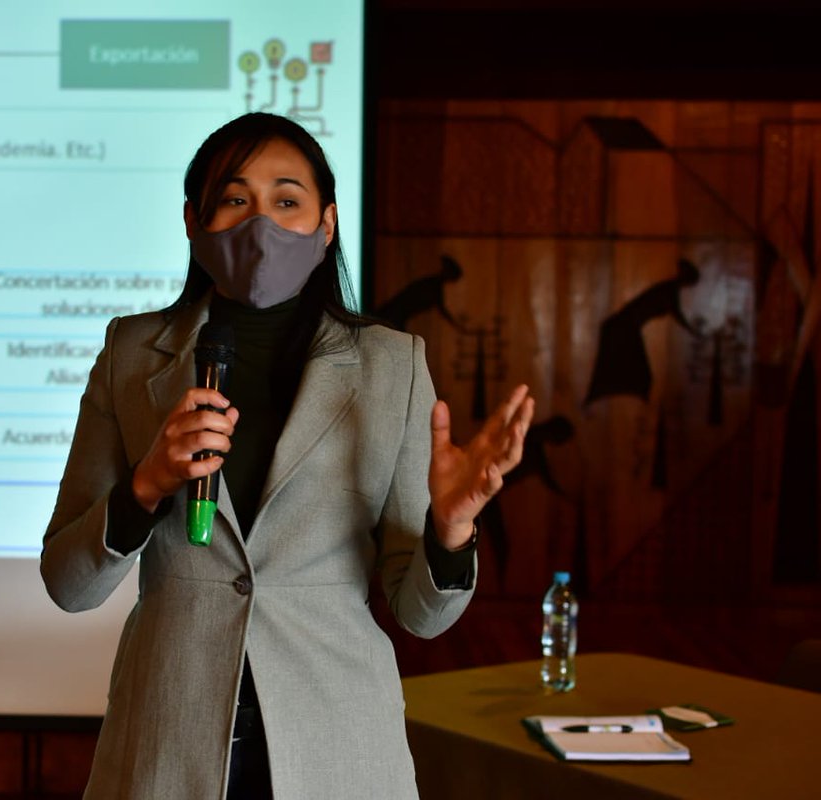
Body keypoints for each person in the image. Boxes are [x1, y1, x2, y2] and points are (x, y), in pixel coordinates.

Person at [41, 112, 533, 799]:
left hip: (338, 745)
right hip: (167, 744)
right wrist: (145, 486)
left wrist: (449, 530)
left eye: (287, 201)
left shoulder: (392, 364)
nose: (260, 223)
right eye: (234, 198)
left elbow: (423, 617)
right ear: (193, 221)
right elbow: (68, 585)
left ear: (326, 224)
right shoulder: (132, 355)